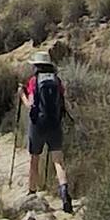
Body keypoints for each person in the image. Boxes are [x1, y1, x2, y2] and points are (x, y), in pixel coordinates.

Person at [19, 51, 70, 211]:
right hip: (55, 124)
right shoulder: (57, 80)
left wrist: (22, 95)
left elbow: (30, 105)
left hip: (38, 124)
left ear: (37, 66)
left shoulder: (34, 81)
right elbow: (62, 99)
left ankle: (32, 191)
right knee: (58, 161)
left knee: (34, 159)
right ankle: (64, 192)